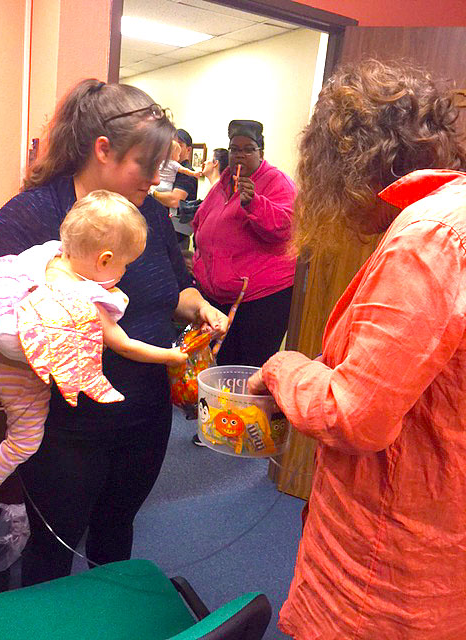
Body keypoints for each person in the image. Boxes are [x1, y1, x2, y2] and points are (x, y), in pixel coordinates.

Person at [247, 59, 466, 639]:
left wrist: (283, 366)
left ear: (348, 165)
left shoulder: (429, 237)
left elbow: (355, 415)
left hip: (388, 561)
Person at [0, 78, 228, 586]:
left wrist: (203, 308)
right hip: (66, 427)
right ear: (102, 150)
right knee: (53, 554)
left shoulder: (147, 215)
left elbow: (175, 292)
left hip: (144, 417)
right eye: (147, 163)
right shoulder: (34, 216)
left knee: (117, 535)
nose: (157, 177)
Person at [0, 190, 187, 500]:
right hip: (17, 374)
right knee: (24, 441)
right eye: (124, 266)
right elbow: (125, 344)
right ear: (104, 259)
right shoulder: (83, 300)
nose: (124, 273)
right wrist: (171, 356)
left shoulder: (49, 255)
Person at [192, 120, 296, 369]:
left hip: (259, 301)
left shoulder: (276, 182)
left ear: (261, 152)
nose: (240, 155)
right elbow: (201, 222)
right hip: (218, 299)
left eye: (248, 149)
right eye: (234, 148)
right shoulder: (224, 182)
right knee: (217, 366)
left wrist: (255, 204)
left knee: (245, 372)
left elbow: (286, 228)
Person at [152, 128, 198, 249]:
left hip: (177, 236)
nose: (173, 147)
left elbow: (175, 201)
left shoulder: (187, 173)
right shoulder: (165, 167)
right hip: (160, 232)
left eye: (179, 144)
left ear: (188, 150)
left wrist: (151, 193)